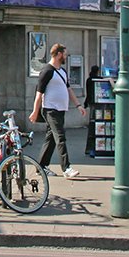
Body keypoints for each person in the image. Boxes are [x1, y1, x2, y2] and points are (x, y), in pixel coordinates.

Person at [29, 43, 86, 178]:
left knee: (51, 139)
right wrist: (35, 111)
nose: (66, 57)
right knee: (60, 137)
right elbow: (39, 94)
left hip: (60, 110)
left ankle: (41, 167)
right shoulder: (47, 71)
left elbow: (68, 89)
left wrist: (78, 105)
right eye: (65, 54)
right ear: (59, 54)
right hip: (50, 110)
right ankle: (66, 168)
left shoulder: (62, 71)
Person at [84, 65, 101, 157]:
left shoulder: (89, 79)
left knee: (92, 123)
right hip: (96, 103)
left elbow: (88, 92)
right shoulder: (98, 79)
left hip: (90, 102)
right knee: (94, 124)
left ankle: (89, 148)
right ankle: (93, 147)